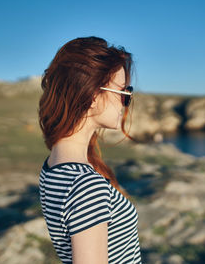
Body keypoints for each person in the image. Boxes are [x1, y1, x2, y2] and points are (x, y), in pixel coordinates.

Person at [37, 36, 142, 263]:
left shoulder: (53, 166)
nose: (126, 100)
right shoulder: (86, 185)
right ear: (94, 95)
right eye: (124, 91)